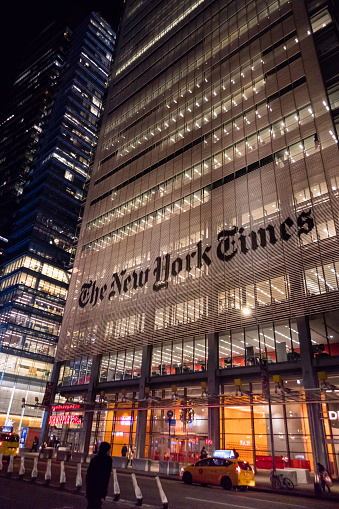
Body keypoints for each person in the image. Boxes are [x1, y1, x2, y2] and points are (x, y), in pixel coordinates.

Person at [86, 441, 112, 509]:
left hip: (92, 486)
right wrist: (105, 490)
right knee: (97, 505)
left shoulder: (95, 459)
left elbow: (89, 474)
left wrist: (87, 486)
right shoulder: (108, 460)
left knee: (91, 505)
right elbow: (107, 476)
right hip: (101, 487)